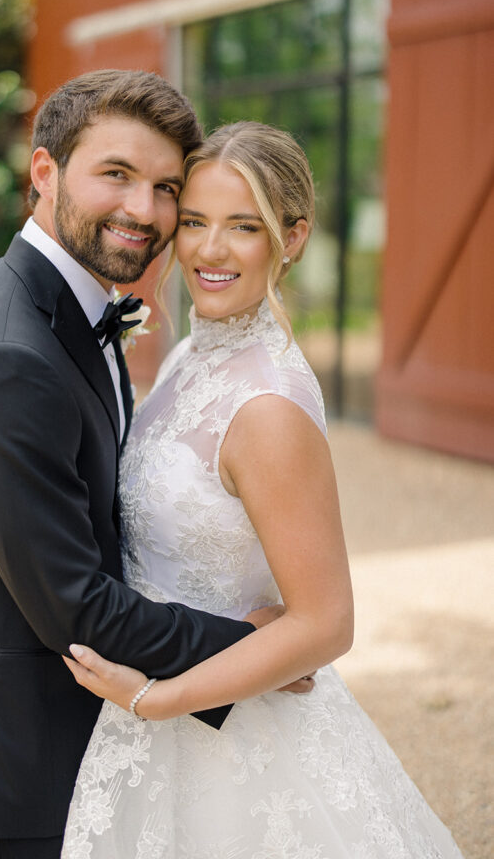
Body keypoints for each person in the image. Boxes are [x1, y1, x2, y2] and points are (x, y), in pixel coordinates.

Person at [0, 73, 315, 859]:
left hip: (77, 735)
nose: (143, 209)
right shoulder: (8, 355)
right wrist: (252, 650)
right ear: (44, 171)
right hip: (14, 760)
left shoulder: (76, 307)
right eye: (116, 174)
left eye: (164, 187)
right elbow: (74, 608)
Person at [61, 121, 465, 858]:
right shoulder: (190, 353)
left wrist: (159, 699)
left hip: (227, 732)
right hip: (150, 716)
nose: (209, 250)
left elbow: (325, 622)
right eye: (194, 222)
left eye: (242, 227)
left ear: (293, 237)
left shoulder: (268, 406)